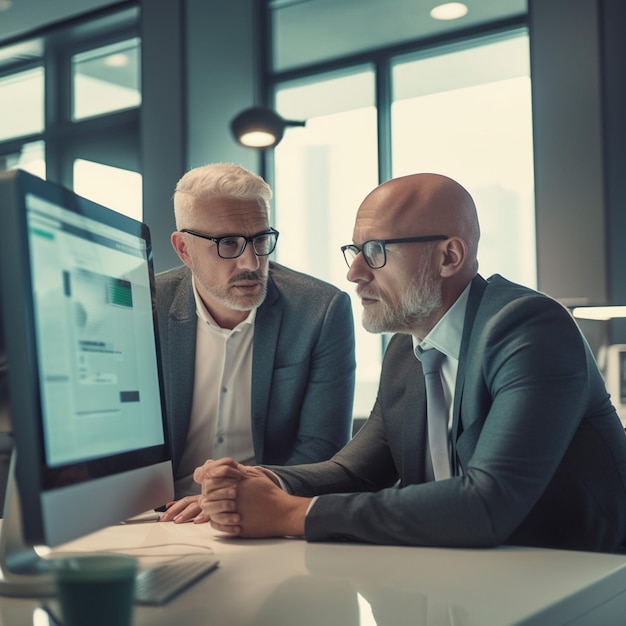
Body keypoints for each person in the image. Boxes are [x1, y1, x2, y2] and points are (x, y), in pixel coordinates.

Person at [194, 172, 626, 553]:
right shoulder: (408, 349)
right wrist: (257, 484)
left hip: (585, 583)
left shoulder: (530, 329)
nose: (355, 272)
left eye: (377, 250)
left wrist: (292, 514)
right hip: (472, 581)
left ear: (449, 257)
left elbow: (486, 504)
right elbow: (354, 472)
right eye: (356, 250)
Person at [157, 163, 356, 522]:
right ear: (184, 249)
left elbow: (323, 451)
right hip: (156, 515)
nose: (252, 262)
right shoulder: (145, 305)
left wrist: (233, 496)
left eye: (261, 240)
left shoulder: (321, 311)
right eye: (229, 243)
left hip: (263, 513)